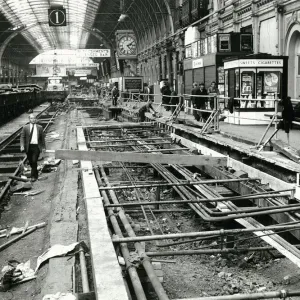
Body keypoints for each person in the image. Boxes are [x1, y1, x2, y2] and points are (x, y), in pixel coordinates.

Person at [20, 114, 46, 182]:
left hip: (36, 147)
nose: (33, 119)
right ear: (29, 119)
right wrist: (22, 145)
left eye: (34, 118)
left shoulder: (40, 127)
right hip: (28, 147)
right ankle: (36, 174)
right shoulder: (25, 127)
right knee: (31, 162)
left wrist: (43, 147)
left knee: (34, 161)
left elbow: (42, 139)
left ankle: (32, 176)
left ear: (36, 119)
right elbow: (22, 137)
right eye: (31, 118)